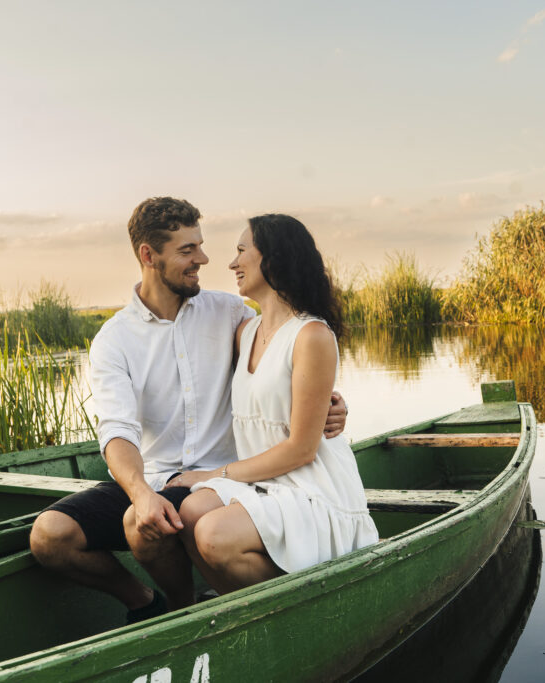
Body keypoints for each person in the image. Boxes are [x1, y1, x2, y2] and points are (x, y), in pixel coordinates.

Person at [29, 198, 347, 623]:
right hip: (157, 476)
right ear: (148, 255)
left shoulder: (231, 313)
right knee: (50, 536)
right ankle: (147, 602)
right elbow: (117, 431)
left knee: (141, 525)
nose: (204, 259)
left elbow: (282, 368)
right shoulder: (114, 339)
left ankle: (182, 614)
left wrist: (336, 403)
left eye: (200, 245)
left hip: (223, 479)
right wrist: (141, 492)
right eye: (186, 250)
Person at [169, 214, 378, 594]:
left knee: (213, 533)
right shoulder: (245, 332)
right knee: (190, 513)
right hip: (265, 485)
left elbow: (301, 449)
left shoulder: (311, 334)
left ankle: (295, 605)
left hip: (310, 489)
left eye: (241, 251)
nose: (232, 264)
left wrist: (213, 474)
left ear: (274, 257)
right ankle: (240, 605)